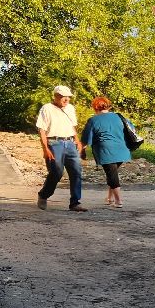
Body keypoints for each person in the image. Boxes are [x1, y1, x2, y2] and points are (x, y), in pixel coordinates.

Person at [35, 84, 87, 212]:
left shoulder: (70, 108)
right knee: (56, 172)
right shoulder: (46, 108)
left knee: (76, 172)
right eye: (63, 97)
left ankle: (75, 203)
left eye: (68, 97)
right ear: (56, 96)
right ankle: (43, 195)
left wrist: (78, 141)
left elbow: (72, 126)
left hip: (70, 143)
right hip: (54, 143)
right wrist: (45, 149)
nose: (66, 100)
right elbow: (41, 130)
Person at [80, 96, 136, 209]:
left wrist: (82, 149)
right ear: (108, 105)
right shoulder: (118, 117)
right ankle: (109, 198)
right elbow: (132, 128)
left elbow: (86, 139)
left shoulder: (93, 120)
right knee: (112, 173)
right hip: (122, 150)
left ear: (95, 107)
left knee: (112, 175)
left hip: (106, 151)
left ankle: (118, 201)